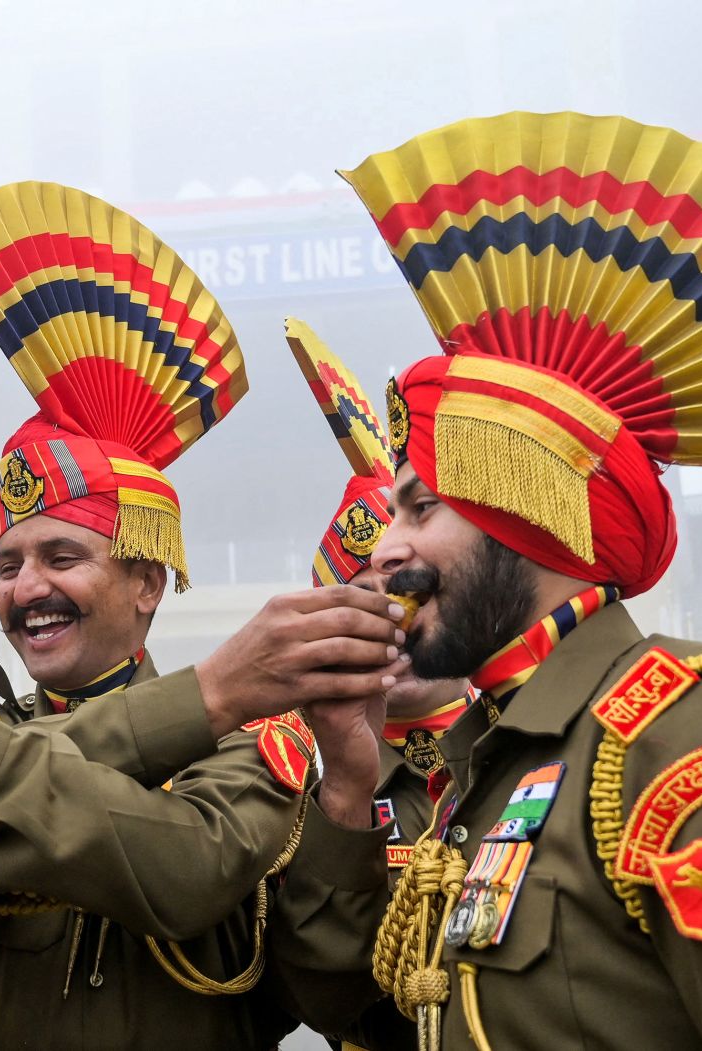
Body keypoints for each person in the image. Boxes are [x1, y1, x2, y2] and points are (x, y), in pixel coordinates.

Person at [274, 110, 702, 1051]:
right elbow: (355, 1012)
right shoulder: (485, 770)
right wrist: (344, 786)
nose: (381, 548)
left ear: (522, 514)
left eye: (420, 509)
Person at [0, 181, 407, 1050]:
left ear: (148, 584)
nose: (25, 589)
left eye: (63, 558)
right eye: (8, 565)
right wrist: (198, 695)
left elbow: (185, 869)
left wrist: (200, 706)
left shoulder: (251, 750)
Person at [271, 320, 470, 1051]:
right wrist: (346, 796)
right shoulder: (296, 786)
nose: (394, 618)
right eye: (362, 602)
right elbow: (320, 994)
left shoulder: (524, 747)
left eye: (407, 592)